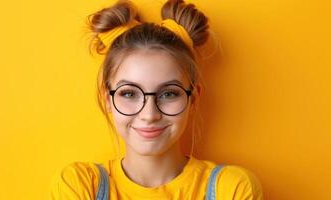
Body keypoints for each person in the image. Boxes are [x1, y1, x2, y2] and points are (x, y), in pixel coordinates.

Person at [50, 0, 263, 199]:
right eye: (129, 93)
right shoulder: (81, 185)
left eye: (169, 94)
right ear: (108, 98)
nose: (149, 115)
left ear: (193, 98)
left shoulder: (230, 189)